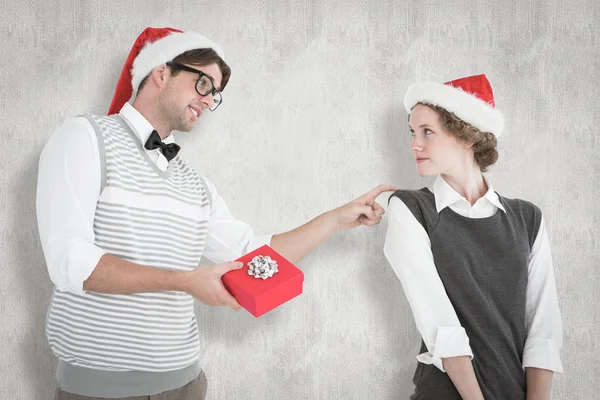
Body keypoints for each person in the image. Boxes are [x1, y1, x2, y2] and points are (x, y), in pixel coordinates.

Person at [36, 27, 397, 400]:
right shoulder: (83, 137)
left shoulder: (194, 183)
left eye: (216, 93)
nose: (209, 101)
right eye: (204, 84)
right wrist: (184, 280)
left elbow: (249, 255)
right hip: (101, 391)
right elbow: (69, 261)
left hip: (188, 384)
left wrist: (334, 220)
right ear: (161, 72)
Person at [384, 74, 563, 399]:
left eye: (427, 132)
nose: (414, 144)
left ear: (467, 136)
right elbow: (441, 327)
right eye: (413, 132)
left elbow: (543, 331)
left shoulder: (528, 219)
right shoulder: (411, 210)